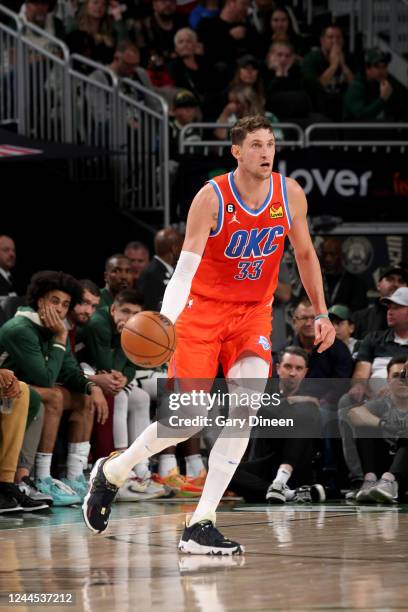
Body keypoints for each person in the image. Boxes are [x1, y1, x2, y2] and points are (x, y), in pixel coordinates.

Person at [82, 114, 335, 555]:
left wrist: (322, 312)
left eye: (270, 144)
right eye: (256, 145)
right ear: (236, 151)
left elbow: (307, 254)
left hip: (253, 314)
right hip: (201, 314)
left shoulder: (289, 193)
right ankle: (113, 472)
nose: (265, 152)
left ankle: (202, 522)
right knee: (187, 422)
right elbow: (185, 269)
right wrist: (166, 320)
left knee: (247, 406)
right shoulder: (212, 197)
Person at [229, 347, 324, 504]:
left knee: (304, 414)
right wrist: (290, 401)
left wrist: (282, 410)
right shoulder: (266, 391)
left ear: (305, 372)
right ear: (278, 368)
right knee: (221, 470)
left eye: (298, 368)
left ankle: (281, 482)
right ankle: (290, 494)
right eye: (288, 366)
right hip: (266, 464)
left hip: (296, 467)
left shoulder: (310, 399)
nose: (292, 373)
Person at [347, 355, 408, 503]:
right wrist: (384, 424)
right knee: (364, 425)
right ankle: (370, 481)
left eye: (405, 375)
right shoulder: (382, 403)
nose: (402, 379)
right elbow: (354, 414)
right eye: (396, 375)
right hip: (383, 466)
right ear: (387, 380)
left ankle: (390, 481)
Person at [352, 264, 408, 340]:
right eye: (390, 279)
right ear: (378, 285)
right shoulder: (359, 318)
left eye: (401, 281)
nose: (396, 284)